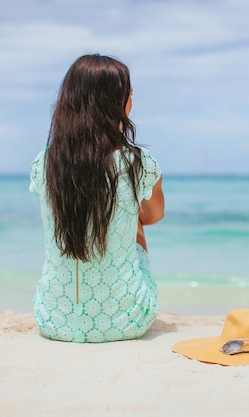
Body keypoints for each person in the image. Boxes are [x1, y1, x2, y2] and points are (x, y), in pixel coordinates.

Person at [29, 54, 165, 343]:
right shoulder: (139, 162)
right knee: (136, 222)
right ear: (117, 103)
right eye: (128, 94)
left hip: (53, 318)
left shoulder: (44, 162)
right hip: (128, 321)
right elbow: (154, 217)